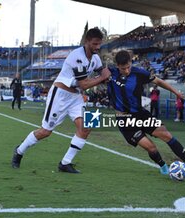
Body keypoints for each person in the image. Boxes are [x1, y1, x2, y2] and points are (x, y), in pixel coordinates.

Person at [11, 28, 111, 173]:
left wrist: (109, 77)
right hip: (61, 95)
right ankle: (19, 151)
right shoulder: (76, 56)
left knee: (86, 127)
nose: (97, 47)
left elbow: (102, 71)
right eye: (95, 44)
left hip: (75, 97)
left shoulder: (95, 58)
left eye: (99, 44)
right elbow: (84, 84)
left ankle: (65, 163)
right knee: (45, 131)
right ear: (86, 41)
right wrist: (102, 78)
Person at [107, 50, 185, 176]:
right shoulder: (110, 73)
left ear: (131, 62)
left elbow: (158, 81)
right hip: (125, 120)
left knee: (167, 136)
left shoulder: (139, 73)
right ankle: (163, 165)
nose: (126, 70)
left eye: (128, 67)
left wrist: (176, 92)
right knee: (151, 147)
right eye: (123, 68)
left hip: (140, 114)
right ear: (117, 66)